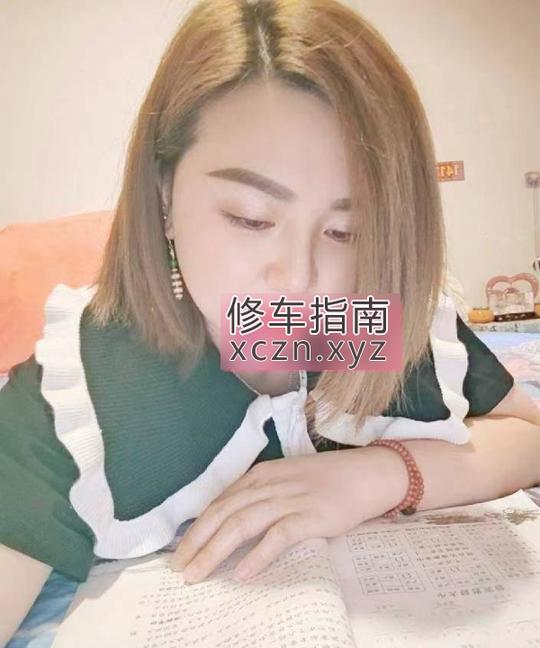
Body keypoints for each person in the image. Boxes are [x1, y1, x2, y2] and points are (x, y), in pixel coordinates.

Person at [1, 0, 540, 644]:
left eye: (346, 230)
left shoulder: (355, 324)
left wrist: (382, 475)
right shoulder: (90, 389)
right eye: (252, 218)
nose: (299, 280)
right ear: (164, 195)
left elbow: (526, 434)